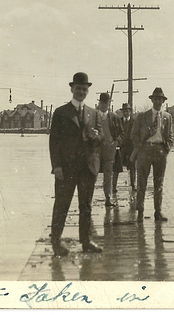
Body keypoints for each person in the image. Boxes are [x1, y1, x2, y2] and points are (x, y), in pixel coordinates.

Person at [48, 72, 104, 255]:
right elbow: (54, 142)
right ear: (72, 89)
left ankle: (86, 242)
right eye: (78, 88)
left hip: (87, 168)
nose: (81, 91)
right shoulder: (60, 113)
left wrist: (97, 137)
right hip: (66, 168)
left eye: (84, 89)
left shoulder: (94, 113)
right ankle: (56, 243)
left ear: (88, 91)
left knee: (86, 206)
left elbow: (101, 137)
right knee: (62, 205)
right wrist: (56, 166)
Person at [131, 87, 173, 222]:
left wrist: (167, 148)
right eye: (155, 99)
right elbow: (134, 134)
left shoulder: (167, 117)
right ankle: (140, 212)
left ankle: (158, 212)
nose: (157, 102)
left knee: (159, 183)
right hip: (145, 150)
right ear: (152, 100)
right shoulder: (142, 116)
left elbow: (170, 136)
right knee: (141, 182)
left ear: (163, 101)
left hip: (160, 151)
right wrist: (140, 147)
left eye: (160, 100)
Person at [97, 92, 124, 207]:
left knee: (108, 174)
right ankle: (87, 200)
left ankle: (108, 198)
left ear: (109, 104)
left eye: (106, 103)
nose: (103, 105)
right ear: (99, 103)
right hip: (96, 151)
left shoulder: (114, 118)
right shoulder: (93, 116)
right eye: (101, 103)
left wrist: (116, 142)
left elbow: (122, 133)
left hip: (110, 150)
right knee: (92, 174)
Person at [114, 103, 136, 191]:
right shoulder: (118, 121)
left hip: (131, 148)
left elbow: (136, 134)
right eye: (124, 111)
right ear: (122, 112)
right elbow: (116, 133)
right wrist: (118, 142)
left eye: (127, 111)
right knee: (116, 167)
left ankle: (133, 185)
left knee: (132, 167)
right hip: (121, 148)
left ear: (130, 112)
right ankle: (114, 186)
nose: (126, 113)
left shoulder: (134, 122)